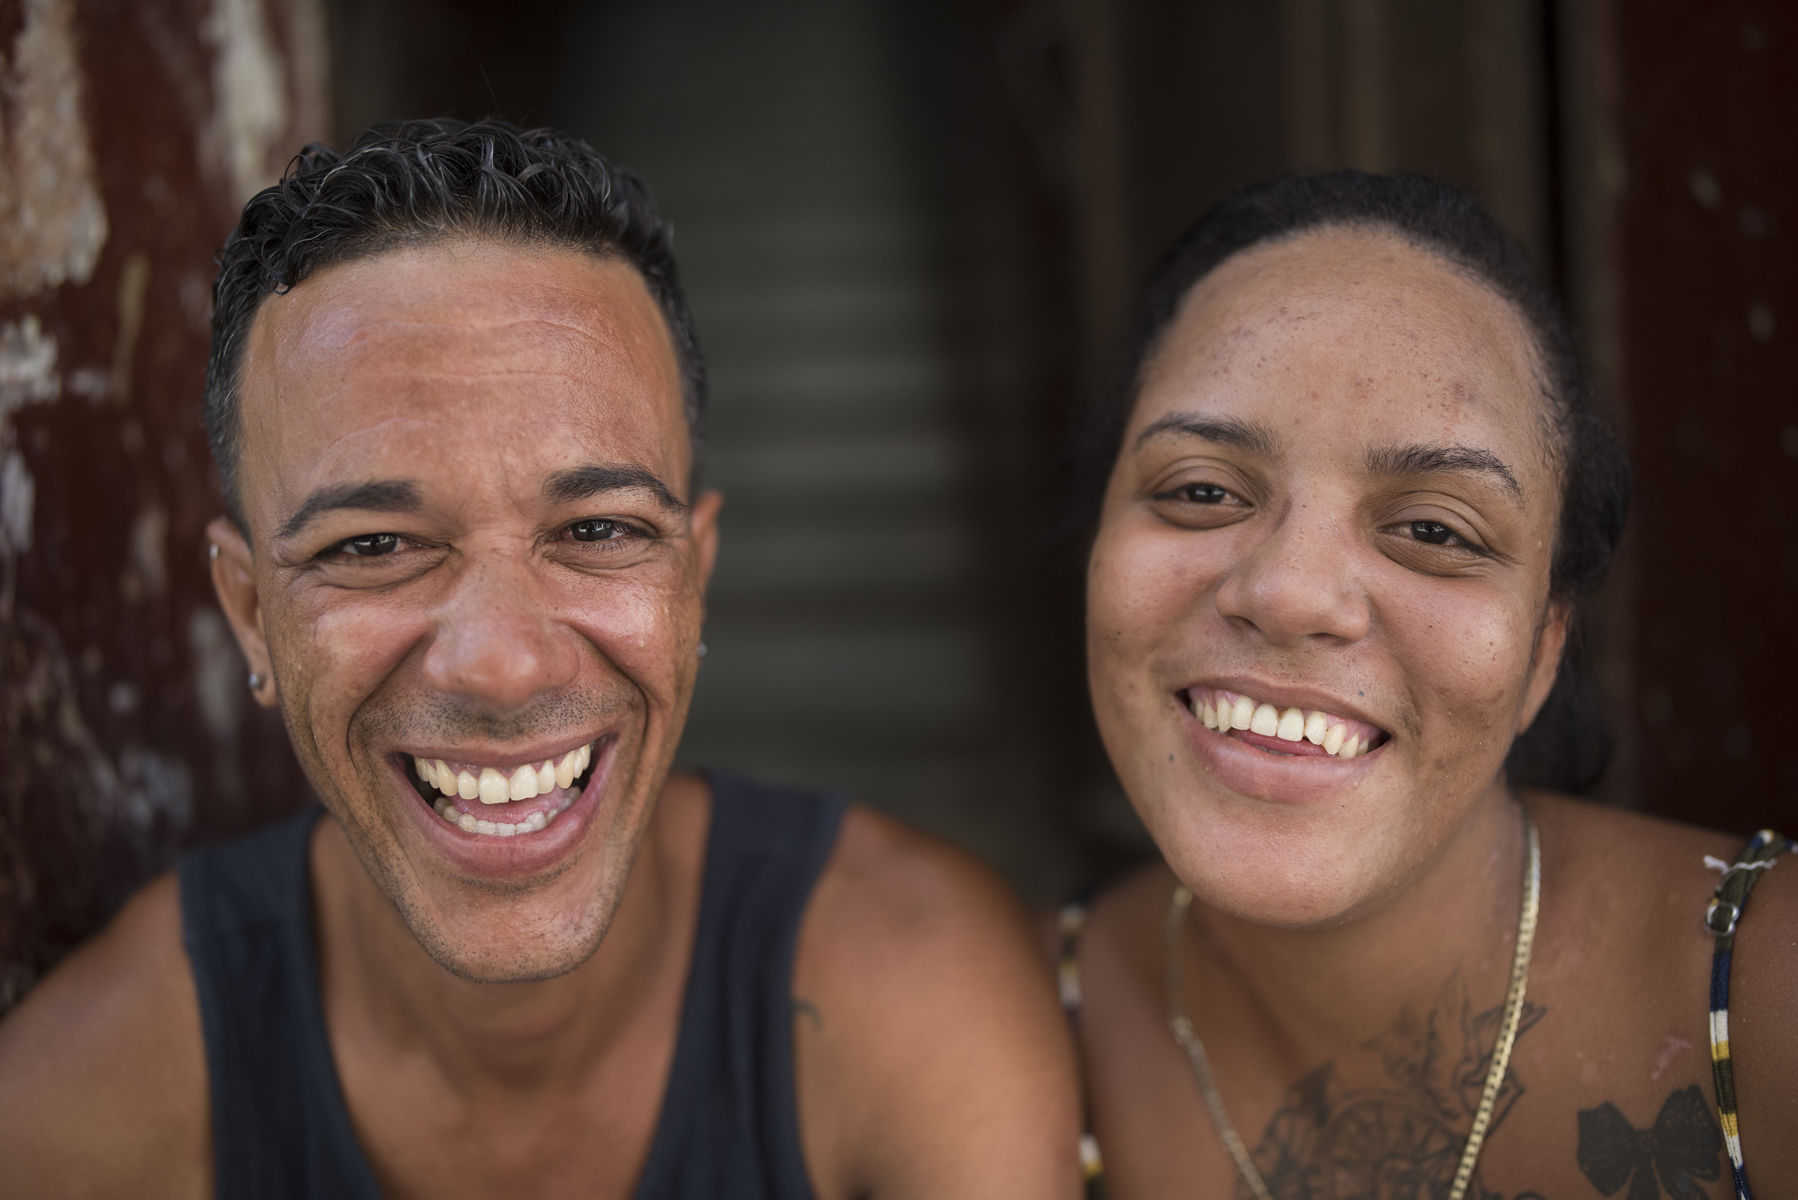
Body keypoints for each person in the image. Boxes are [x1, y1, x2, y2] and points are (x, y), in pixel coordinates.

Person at [0, 120, 1080, 1199]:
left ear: (691, 577)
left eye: (598, 530)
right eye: (372, 547)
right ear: (249, 616)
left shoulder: (916, 997)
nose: (502, 665)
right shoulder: (96, 1098)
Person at [1061, 172, 1796, 1199]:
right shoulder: (1000, 1033)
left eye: (1435, 531)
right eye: (1199, 491)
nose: (1289, 593)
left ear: (1544, 648)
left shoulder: (1770, 1001)